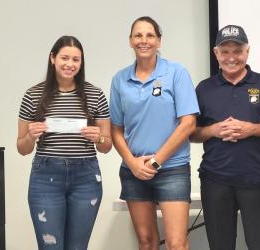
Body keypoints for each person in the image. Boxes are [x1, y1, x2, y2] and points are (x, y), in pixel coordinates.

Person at [191, 24, 260, 250]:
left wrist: (251, 129)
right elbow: (192, 133)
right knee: (220, 245)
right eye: (225, 52)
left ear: (247, 51)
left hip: (256, 180)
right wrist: (213, 130)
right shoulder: (204, 89)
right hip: (215, 180)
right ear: (216, 53)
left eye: (237, 51)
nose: (231, 57)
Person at [109, 16, 198, 250]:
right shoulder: (120, 80)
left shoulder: (176, 73)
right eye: (138, 35)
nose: (144, 40)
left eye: (150, 35)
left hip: (172, 169)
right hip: (134, 171)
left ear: (159, 41)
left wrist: (156, 161)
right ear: (130, 41)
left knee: (176, 243)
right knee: (147, 243)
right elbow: (116, 130)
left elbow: (188, 123)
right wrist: (132, 163)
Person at [16, 35, 112, 250]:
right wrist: (31, 136)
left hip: (86, 176)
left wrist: (100, 137)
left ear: (82, 62)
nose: (70, 64)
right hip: (45, 176)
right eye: (65, 58)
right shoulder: (33, 95)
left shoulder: (95, 94)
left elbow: (106, 146)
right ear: (53, 58)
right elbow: (22, 148)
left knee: (78, 247)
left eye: (76, 60)